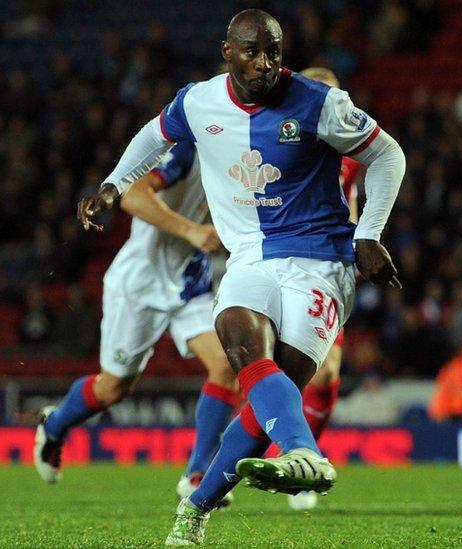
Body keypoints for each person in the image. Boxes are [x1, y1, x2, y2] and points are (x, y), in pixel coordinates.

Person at [76, 9, 404, 545]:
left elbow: (387, 155)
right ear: (227, 52)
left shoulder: (320, 103)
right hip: (248, 256)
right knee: (235, 330)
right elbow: (152, 136)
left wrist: (369, 233)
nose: (265, 64)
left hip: (320, 263)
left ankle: (197, 505)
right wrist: (113, 186)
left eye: (274, 51)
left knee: (271, 398)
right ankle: (306, 455)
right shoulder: (198, 101)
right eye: (252, 51)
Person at [34, 141, 239, 509]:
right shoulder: (187, 150)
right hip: (139, 286)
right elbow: (133, 198)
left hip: (190, 282)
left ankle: (197, 474)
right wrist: (192, 231)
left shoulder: (246, 150)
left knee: (226, 367)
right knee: (113, 389)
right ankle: (55, 425)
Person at [288, 66, 361, 512]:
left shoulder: (350, 157)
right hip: (276, 261)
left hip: (326, 266)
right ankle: (213, 465)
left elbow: (352, 204)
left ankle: (302, 461)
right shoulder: (281, 145)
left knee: (327, 371)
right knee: (267, 367)